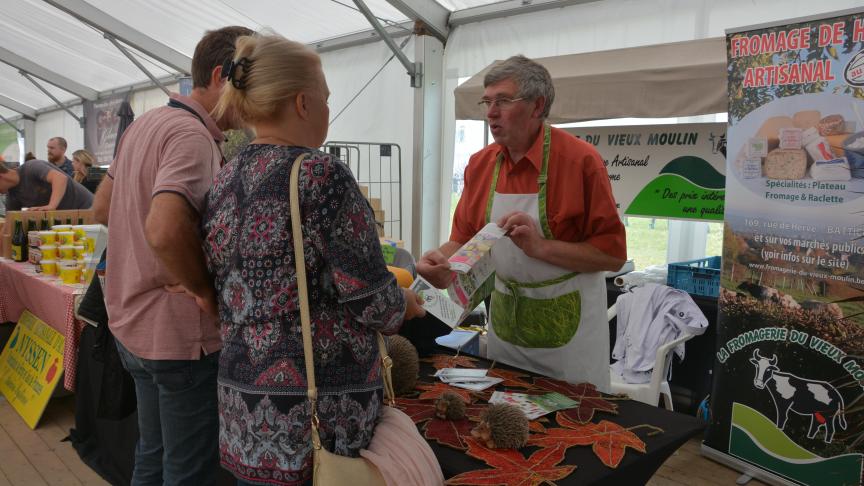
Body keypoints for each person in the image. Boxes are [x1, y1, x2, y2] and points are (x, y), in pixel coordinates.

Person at [203, 33, 425, 485]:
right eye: (325, 98)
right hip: (318, 418)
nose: (327, 107)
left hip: (244, 410)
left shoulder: (225, 178)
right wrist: (408, 303)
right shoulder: (322, 175)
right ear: (303, 103)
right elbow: (372, 301)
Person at [90, 25, 253, 486]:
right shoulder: (192, 137)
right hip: (178, 336)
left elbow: (102, 206)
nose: (255, 100)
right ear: (221, 77)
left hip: (132, 325)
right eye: (250, 85)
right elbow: (163, 228)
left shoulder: (146, 123)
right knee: (188, 471)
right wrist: (204, 289)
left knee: (152, 454)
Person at [417, 55, 626, 391]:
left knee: (569, 426)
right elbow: (463, 239)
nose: (490, 112)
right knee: (506, 416)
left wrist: (540, 247)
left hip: (569, 344)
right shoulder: (480, 165)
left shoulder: (581, 162)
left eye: (503, 101)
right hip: (506, 334)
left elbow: (612, 256)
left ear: (537, 106)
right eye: (487, 101)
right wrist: (442, 263)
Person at [0, 158, 93, 210]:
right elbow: (10, 223)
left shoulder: (31, 167)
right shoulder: (12, 195)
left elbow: (60, 178)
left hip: (88, 208)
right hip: (69, 219)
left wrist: (51, 206)